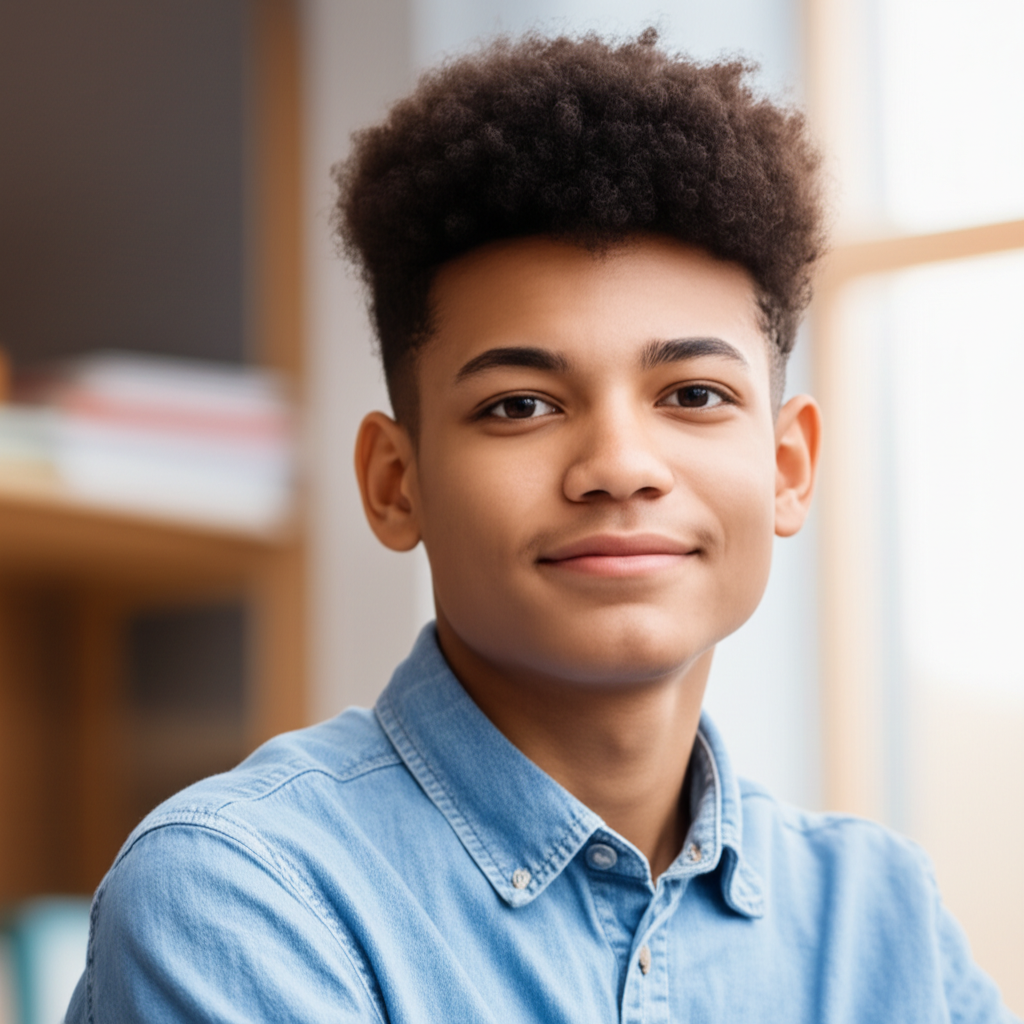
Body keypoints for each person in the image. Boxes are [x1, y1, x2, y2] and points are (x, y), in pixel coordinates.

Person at [67, 30, 1017, 1023]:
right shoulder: (244, 895)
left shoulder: (881, 920)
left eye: (692, 393)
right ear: (396, 483)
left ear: (787, 468)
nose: (617, 466)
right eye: (519, 404)